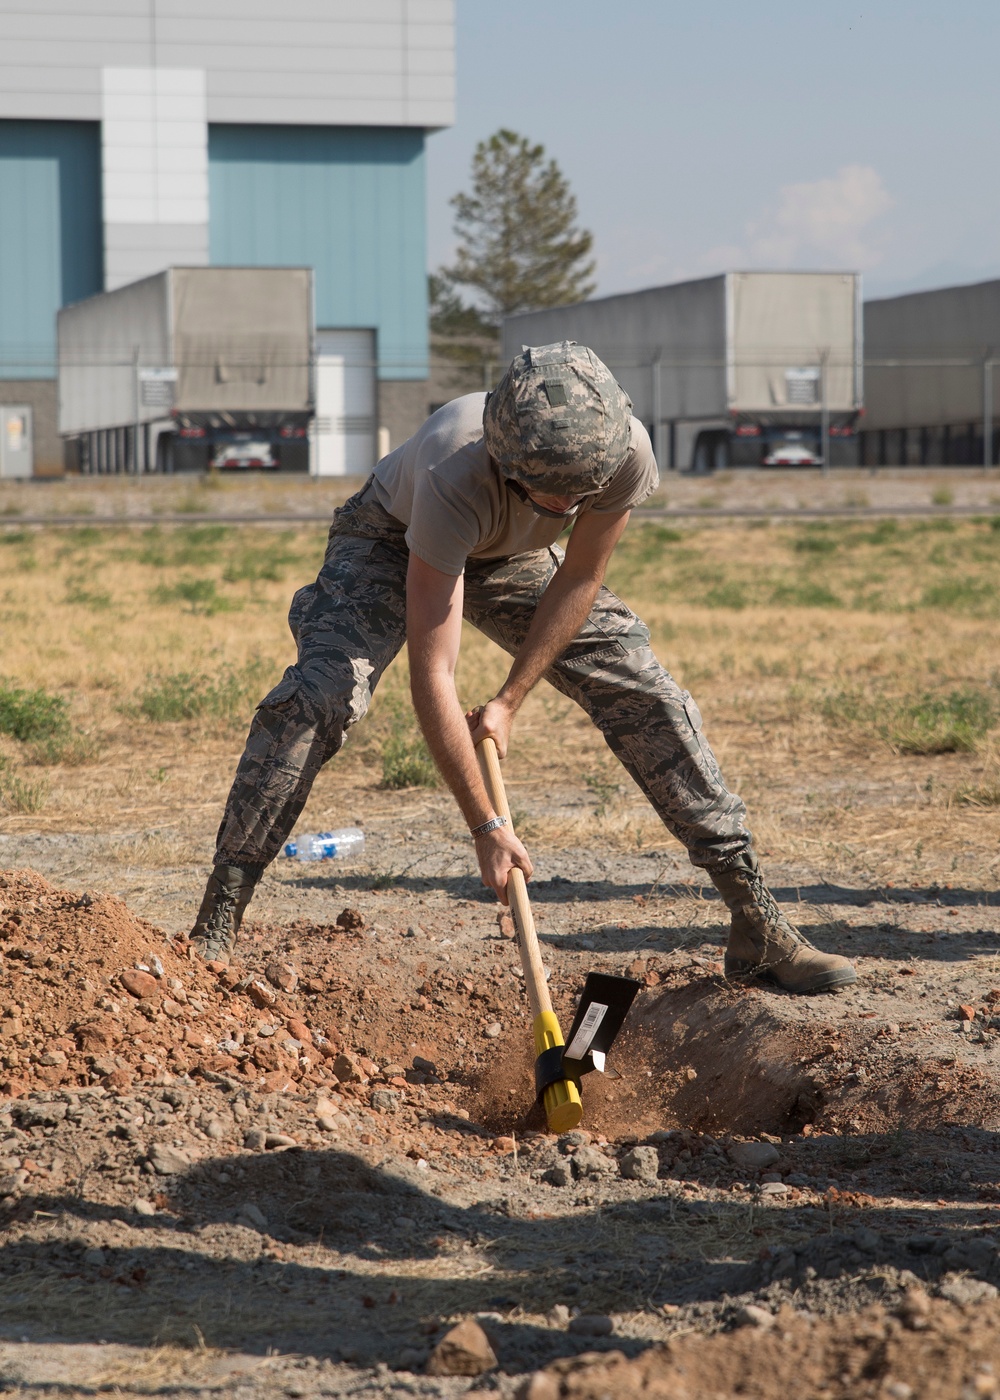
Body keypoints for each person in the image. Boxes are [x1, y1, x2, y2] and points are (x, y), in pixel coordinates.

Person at [189, 342, 856, 995]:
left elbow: (580, 578)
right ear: (506, 462)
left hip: (510, 557)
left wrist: (509, 698)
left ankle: (755, 922)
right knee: (321, 694)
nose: (566, 510)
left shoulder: (621, 450)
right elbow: (436, 673)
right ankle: (218, 918)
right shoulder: (453, 470)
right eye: (549, 495)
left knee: (644, 688)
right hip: (391, 541)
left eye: (579, 495)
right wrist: (488, 827)